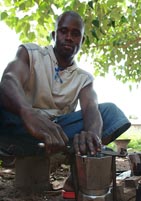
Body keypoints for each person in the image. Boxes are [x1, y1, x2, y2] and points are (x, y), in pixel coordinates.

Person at [0, 11, 131, 190]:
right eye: (63, 31)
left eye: (75, 33)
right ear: (54, 35)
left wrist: (91, 135)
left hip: (59, 136)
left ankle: (80, 165)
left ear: (82, 41)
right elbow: (9, 80)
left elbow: (91, 108)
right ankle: (11, 151)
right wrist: (27, 112)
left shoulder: (84, 79)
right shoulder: (30, 53)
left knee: (111, 112)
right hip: (20, 126)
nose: (69, 37)